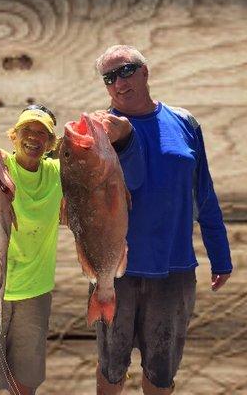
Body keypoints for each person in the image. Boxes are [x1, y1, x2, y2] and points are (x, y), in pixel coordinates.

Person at [90, 45, 233, 394]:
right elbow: (119, 186)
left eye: (125, 71)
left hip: (175, 269)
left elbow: (205, 193)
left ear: (145, 71)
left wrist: (220, 253)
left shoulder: (185, 122)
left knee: (162, 371)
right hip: (116, 270)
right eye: (109, 78)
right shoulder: (97, 131)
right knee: (111, 369)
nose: (118, 83)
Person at [0, 84, 62, 395]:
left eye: (42, 133)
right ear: (13, 137)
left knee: (25, 381)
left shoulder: (59, 173)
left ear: (49, 144)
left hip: (34, 291)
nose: (34, 137)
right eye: (27, 130)